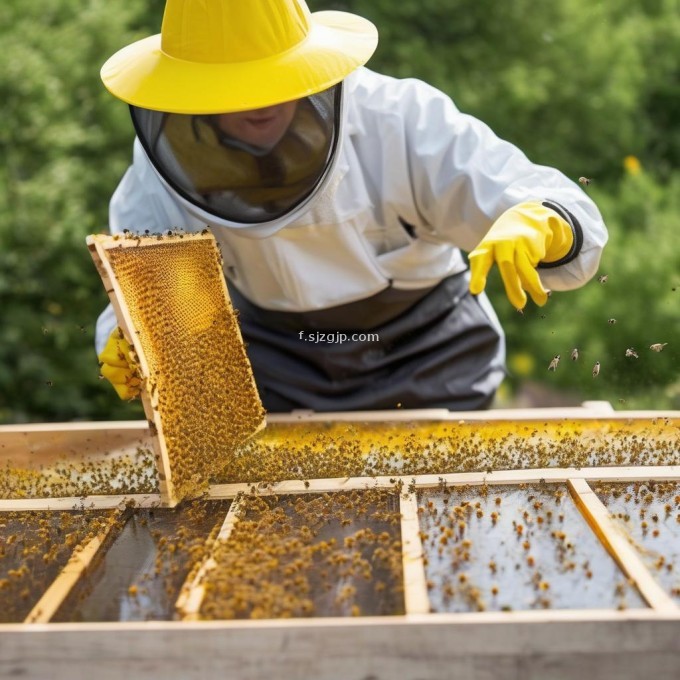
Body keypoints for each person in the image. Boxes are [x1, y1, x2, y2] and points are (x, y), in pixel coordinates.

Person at [96, 0, 608, 412]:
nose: (260, 101)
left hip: (431, 361)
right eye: (236, 85)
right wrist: (127, 337)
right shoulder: (161, 168)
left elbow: (541, 196)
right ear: (192, 90)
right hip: (277, 372)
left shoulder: (400, 118)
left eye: (274, 77)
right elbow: (142, 289)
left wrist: (544, 220)